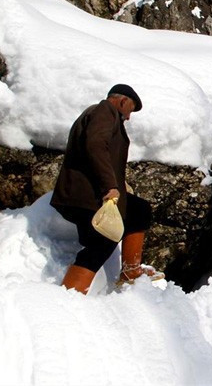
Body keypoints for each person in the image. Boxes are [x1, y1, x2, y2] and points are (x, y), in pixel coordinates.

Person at [51, 84, 160, 294]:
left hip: (87, 194)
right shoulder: (104, 111)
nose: (128, 117)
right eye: (131, 109)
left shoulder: (100, 114)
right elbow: (96, 145)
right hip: (86, 195)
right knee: (102, 244)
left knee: (139, 210)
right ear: (122, 102)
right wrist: (110, 185)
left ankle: (131, 271)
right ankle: (70, 294)